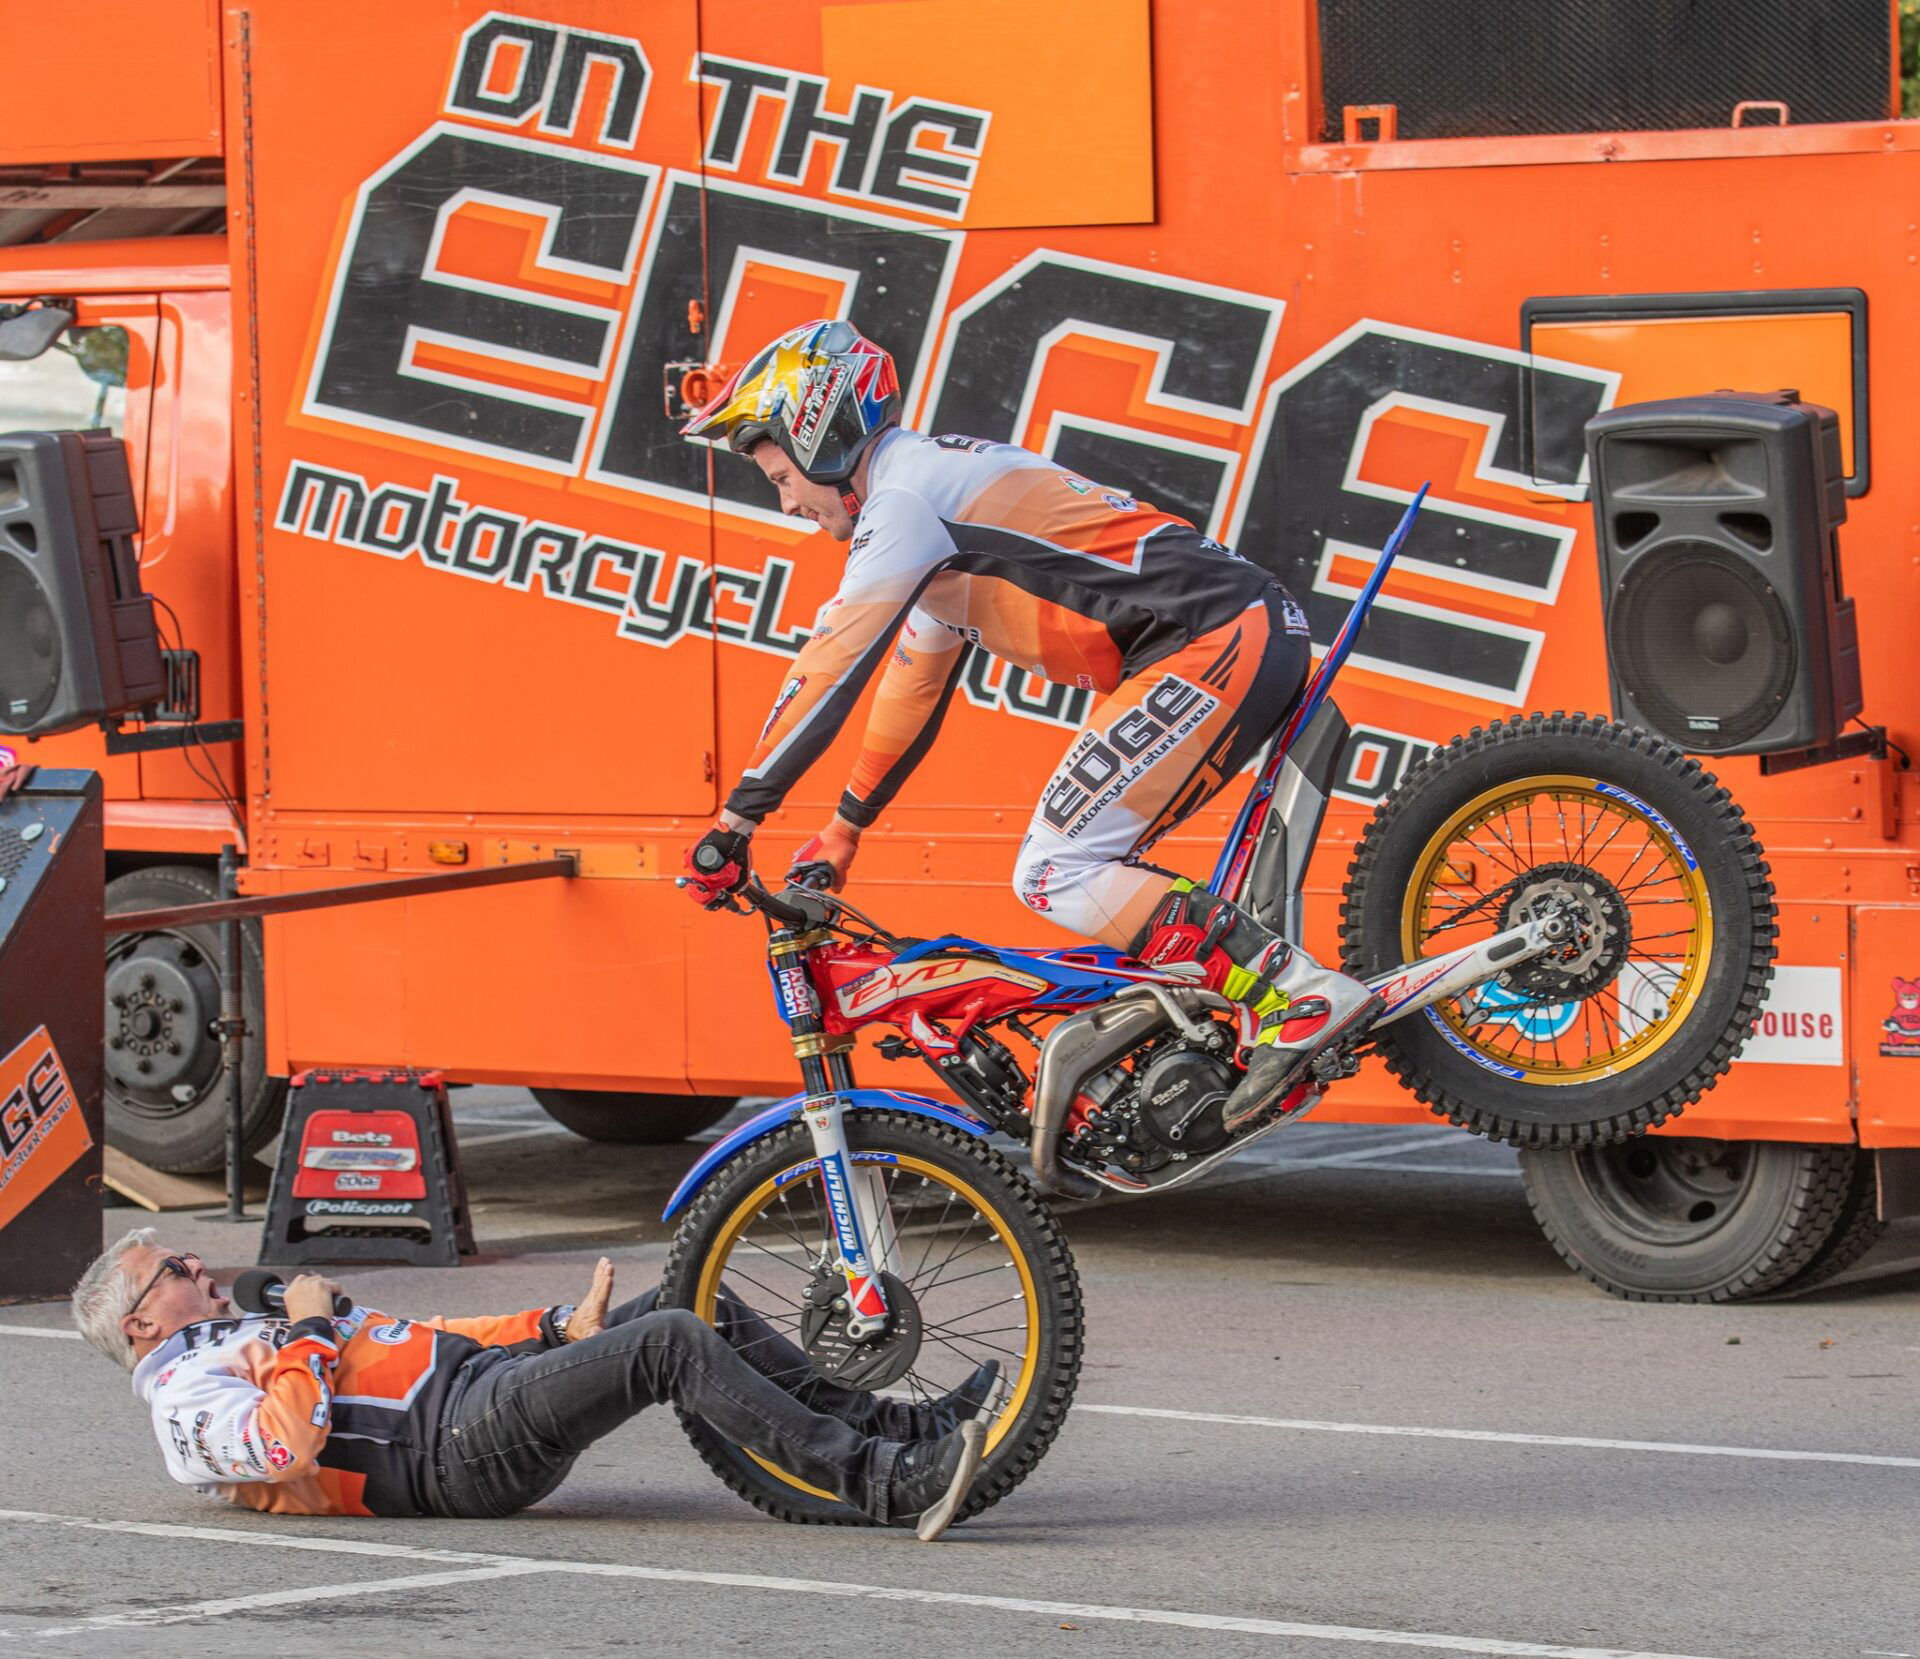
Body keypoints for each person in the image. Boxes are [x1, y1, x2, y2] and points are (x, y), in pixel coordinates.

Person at [680, 319, 1380, 1131]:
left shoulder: (904, 501)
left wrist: (734, 823)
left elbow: (828, 664)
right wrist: (844, 829)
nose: (791, 502)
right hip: (1223, 630)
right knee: (1078, 860)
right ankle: (1252, 1002)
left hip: (1215, 635)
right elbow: (913, 678)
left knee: (1058, 866)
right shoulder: (925, 503)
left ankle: (1295, 999)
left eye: (779, 477)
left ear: (817, 430)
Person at [71, 1229, 996, 1541]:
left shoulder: (246, 1327)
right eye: (175, 1267)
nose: (199, 1263)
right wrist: (308, 1331)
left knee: (691, 1298)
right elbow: (285, 1445)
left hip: (481, 1390)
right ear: (141, 1322)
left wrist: (555, 1326)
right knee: (671, 1340)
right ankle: (879, 1482)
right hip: (454, 1457)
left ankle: (899, 1429)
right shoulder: (184, 1405)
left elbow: (419, 1339)